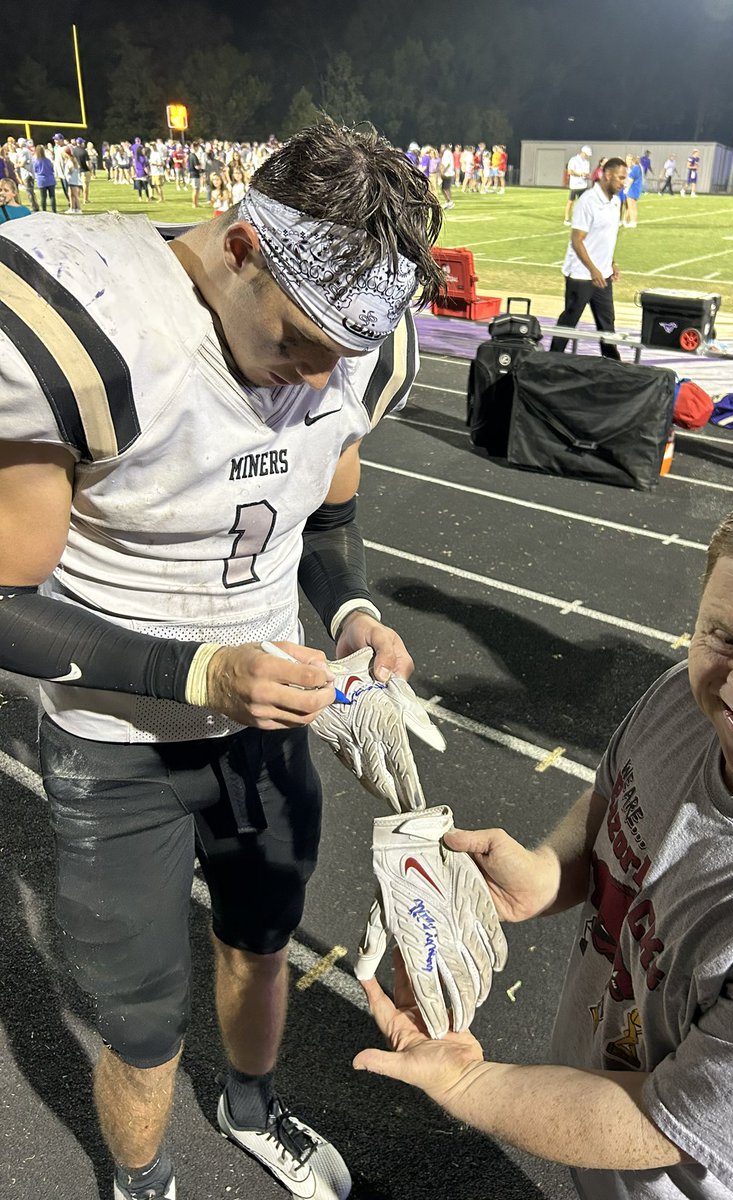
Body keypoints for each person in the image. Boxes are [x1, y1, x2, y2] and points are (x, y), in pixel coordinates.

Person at [0, 118, 445, 1200]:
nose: (311, 379)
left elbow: (330, 529)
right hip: (118, 746)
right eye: (297, 341)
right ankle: (141, 1182)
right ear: (241, 246)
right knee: (142, 1021)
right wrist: (203, 672)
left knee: (262, 942)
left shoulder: (355, 349)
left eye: (338, 358)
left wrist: (350, 618)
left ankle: (252, 1107)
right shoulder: (89, 322)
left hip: (266, 728)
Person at [355, 464, 733, 1200]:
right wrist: (549, 873)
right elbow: (619, 793)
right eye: (723, 635)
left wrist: (469, 1080)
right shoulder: (686, 696)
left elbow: (661, 1121)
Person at [549, 157, 628, 359]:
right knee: (570, 320)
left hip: (602, 274)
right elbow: (577, 240)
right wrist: (593, 270)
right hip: (581, 274)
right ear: (607, 175)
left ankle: (613, 364)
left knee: (607, 324)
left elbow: (604, 238)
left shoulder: (616, 201)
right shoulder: (588, 201)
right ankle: (551, 360)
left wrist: (611, 263)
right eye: (620, 178)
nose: (623, 182)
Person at [563, 144, 592, 225]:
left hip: (583, 185)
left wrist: (587, 175)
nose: (587, 156)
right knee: (571, 202)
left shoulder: (587, 162)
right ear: (583, 153)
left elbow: (587, 173)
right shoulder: (573, 160)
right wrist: (579, 174)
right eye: (586, 155)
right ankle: (566, 219)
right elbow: (570, 171)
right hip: (575, 185)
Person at [32, 144, 57, 212]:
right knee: (52, 196)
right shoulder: (48, 160)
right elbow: (52, 169)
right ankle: (54, 210)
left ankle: (44, 211)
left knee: (43, 197)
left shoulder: (36, 161)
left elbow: (35, 170)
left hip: (41, 180)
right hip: (50, 179)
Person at [622, 154, 643, 228]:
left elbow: (630, 180)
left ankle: (631, 222)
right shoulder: (639, 167)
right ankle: (633, 222)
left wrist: (626, 189)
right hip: (635, 188)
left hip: (631, 188)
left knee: (630, 207)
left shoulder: (635, 168)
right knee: (633, 206)